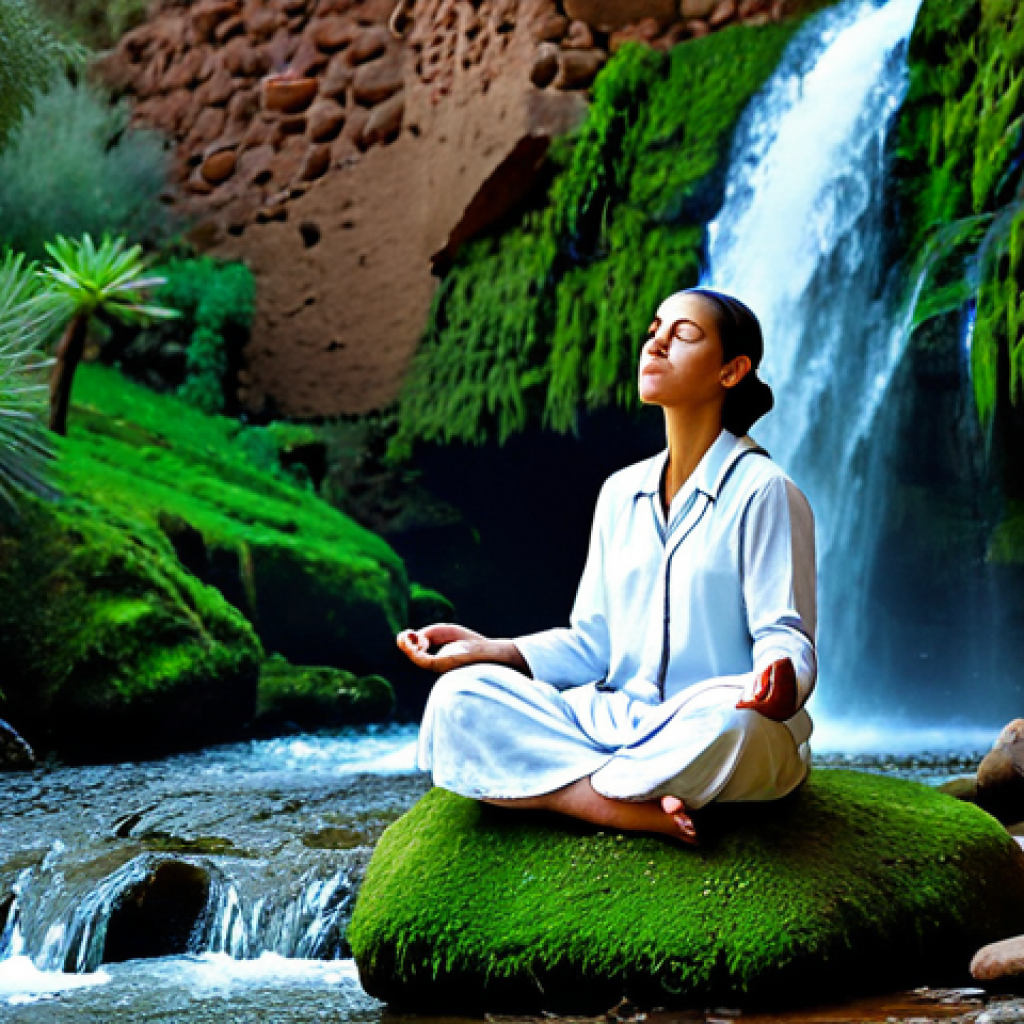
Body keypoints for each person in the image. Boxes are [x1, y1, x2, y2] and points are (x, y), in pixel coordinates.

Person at [397, 287, 817, 846]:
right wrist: (492, 650)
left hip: (704, 720)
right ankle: (605, 801)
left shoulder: (765, 491)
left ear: (732, 371)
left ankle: (557, 783)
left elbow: (784, 634)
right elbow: (592, 644)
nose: (656, 344)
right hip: (609, 719)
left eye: (683, 334)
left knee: (738, 727)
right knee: (459, 698)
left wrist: (782, 681)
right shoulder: (621, 492)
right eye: (654, 330)